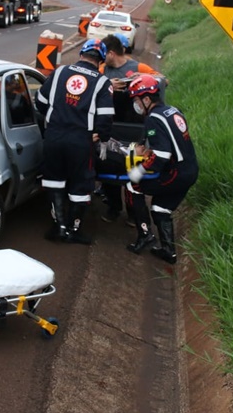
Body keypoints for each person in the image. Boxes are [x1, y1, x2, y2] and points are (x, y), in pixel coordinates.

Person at [35, 38, 115, 245]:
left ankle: (59, 227)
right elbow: (106, 117)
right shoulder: (102, 82)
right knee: (80, 184)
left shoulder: (60, 72)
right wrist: (101, 136)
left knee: (54, 180)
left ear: (81, 54)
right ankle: (74, 229)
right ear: (101, 61)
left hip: (53, 137)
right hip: (80, 141)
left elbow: (41, 102)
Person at [124, 74, 199, 264]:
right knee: (160, 207)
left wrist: (137, 171)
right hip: (190, 169)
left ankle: (144, 235)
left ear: (147, 99)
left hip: (176, 173)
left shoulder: (153, 119)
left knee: (133, 186)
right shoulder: (173, 111)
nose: (137, 105)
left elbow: (162, 155)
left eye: (137, 100)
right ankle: (168, 251)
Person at [97, 33, 168, 224]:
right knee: (109, 168)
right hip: (111, 124)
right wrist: (107, 85)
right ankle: (113, 207)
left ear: (112, 53)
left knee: (133, 171)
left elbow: (163, 80)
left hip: (136, 126)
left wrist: (143, 77)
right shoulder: (103, 70)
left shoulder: (137, 67)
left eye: (104, 54)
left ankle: (133, 213)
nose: (102, 58)